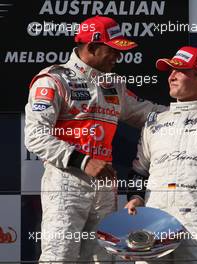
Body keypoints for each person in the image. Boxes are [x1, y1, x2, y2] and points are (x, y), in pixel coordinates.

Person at [24, 15, 166, 263]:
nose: (118, 58)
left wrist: (193, 110)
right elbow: (35, 136)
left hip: (104, 185)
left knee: (102, 258)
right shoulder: (54, 80)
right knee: (60, 257)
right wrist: (83, 161)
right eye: (112, 51)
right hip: (66, 181)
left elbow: (147, 112)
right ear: (91, 47)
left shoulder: (114, 86)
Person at [125, 46, 197, 264]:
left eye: (180, 70)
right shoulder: (155, 120)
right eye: (170, 70)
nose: (172, 76)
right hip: (153, 219)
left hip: (195, 219)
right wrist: (135, 197)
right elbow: (140, 171)